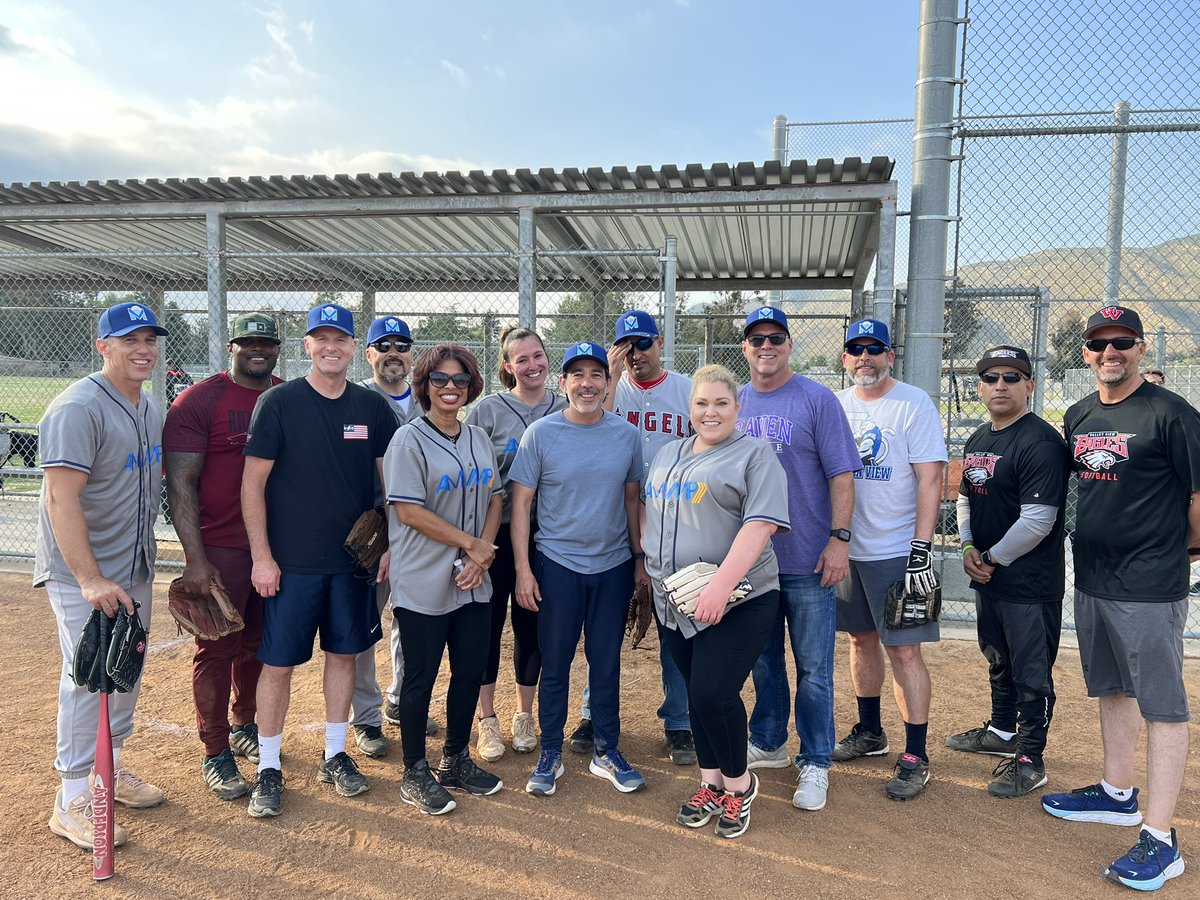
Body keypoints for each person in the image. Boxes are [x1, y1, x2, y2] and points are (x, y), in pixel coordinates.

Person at [1041, 305, 1198, 892]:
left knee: (1162, 704)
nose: (1111, 352)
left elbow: (1198, 494)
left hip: (1149, 583)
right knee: (1111, 686)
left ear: (1139, 349)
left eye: (1122, 342)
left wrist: (1180, 550)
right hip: (1093, 576)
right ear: (1085, 352)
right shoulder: (1080, 414)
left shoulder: (1171, 413)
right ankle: (1115, 793)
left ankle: (1162, 838)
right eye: (1100, 343)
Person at [241, 302, 397, 819]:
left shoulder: (371, 408)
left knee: (344, 656)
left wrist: (391, 541)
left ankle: (334, 753)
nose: (331, 346)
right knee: (278, 664)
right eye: (320, 338)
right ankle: (268, 766)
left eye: (341, 338)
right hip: (291, 565)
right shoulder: (280, 403)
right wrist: (262, 558)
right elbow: (252, 485)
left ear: (355, 348)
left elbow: (390, 484)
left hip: (351, 564)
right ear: (307, 345)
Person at [37, 300, 169, 849]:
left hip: (133, 567)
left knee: (123, 672)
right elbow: (58, 499)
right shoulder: (78, 407)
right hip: (83, 575)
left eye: (149, 340)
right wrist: (89, 579)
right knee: (87, 676)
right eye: (130, 340)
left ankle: (106, 774)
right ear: (104, 346)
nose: (143, 350)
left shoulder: (149, 405)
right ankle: (70, 797)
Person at [645, 364, 790, 840]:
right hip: (676, 599)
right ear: (689, 409)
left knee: (712, 692)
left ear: (737, 407)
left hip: (740, 598)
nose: (711, 412)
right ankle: (709, 782)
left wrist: (720, 586)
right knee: (696, 695)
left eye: (721, 403)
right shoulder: (668, 453)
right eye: (702, 404)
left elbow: (760, 526)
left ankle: (739, 786)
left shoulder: (754, 454)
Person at [735, 306, 861, 812]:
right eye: (757, 338)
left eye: (776, 338)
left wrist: (839, 539)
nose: (766, 346)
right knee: (763, 662)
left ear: (790, 345)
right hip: (755, 561)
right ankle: (768, 742)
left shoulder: (816, 398)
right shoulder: (734, 400)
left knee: (813, 668)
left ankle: (815, 759)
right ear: (744, 347)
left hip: (809, 556)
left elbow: (843, 475)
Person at [510, 341, 647, 797]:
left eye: (596, 376)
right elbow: (522, 504)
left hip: (611, 567)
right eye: (577, 376)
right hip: (557, 565)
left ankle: (606, 749)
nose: (587, 384)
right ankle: (551, 751)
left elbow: (631, 500)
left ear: (609, 384)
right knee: (556, 662)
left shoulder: (626, 435)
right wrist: (524, 570)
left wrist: (639, 561)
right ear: (563, 383)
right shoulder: (542, 434)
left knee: (605, 662)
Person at [163, 313, 283, 801]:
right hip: (220, 546)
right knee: (216, 647)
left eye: (266, 343)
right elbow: (180, 483)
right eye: (248, 342)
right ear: (231, 346)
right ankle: (215, 750)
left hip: (274, 548)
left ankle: (244, 724)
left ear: (277, 349)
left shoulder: (283, 395)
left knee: (258, 642)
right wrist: (195, 558)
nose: (258, 349)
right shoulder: (200, 400)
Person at [567, 309, 695, 766]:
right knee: (603, 630)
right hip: (611, 527)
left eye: (644, 342)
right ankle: (590, 714)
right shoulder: (604, 390)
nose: (636, 352)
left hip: (673, 528)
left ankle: (679, 720)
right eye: (626, 344)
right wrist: (614, 375)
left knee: (675, 627)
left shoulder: (685, 391)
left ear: (660, 342)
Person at [385, 343, 505, 815]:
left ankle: (454, 759)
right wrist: (468, 544)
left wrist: (483, 552)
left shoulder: (476, 436)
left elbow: (496, 497)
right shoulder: (409, 440)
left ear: (471, 385)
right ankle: (414, 770)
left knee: (471, 669)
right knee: (419, 677)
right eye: (439, 379)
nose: (450, 387)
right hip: (423, 575)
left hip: (474, 575)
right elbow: (410, 511)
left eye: (459, 379)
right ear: (425, 386)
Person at [833, 318, 948, 801]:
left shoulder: (912, 402)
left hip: (897, 550)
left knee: (903, 650)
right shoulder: (837, 404)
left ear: (890, 355)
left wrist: (921, 549)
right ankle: (870, 731)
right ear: (845, 359)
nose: (865, 357)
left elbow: (931, 478)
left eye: (874, 349)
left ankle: (916, 754)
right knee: (861, 642)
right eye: (856, 350)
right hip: (847, 549)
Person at [950, 346, 1070, 798]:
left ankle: (1030, 757)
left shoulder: (1039, 441)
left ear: (1029, 386)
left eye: (1012, 377)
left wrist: (990, 558)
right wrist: (966, 547)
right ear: (980, 387)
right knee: (998, 657)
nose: (1001, 384)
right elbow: (965, 497)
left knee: (1031, 672)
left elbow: (1038, 521)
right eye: (992, 377)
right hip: (989, 573)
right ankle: (1001, 731)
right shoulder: (979, 437)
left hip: (1028, 582)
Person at [465, 326, 565, 761]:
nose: (532, 365)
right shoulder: (488, 410)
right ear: (507, 366)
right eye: (521, 359)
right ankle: (487, 720)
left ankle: (524, 715)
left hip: (547, 534)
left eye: (538, 356)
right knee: (486, 627)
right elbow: (472, 473)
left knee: (531, 627)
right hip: (497, 531)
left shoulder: (565, 406)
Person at [350, 315, 433, 761]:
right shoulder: (356, 399)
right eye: (383, 346)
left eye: (401, 346)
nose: (393, 353)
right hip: (370, 533)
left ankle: (401, 698)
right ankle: (366, 716)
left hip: (419, 531)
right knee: (365, 625)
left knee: (414, 620)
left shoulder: (427, 402)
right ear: (370, 355)